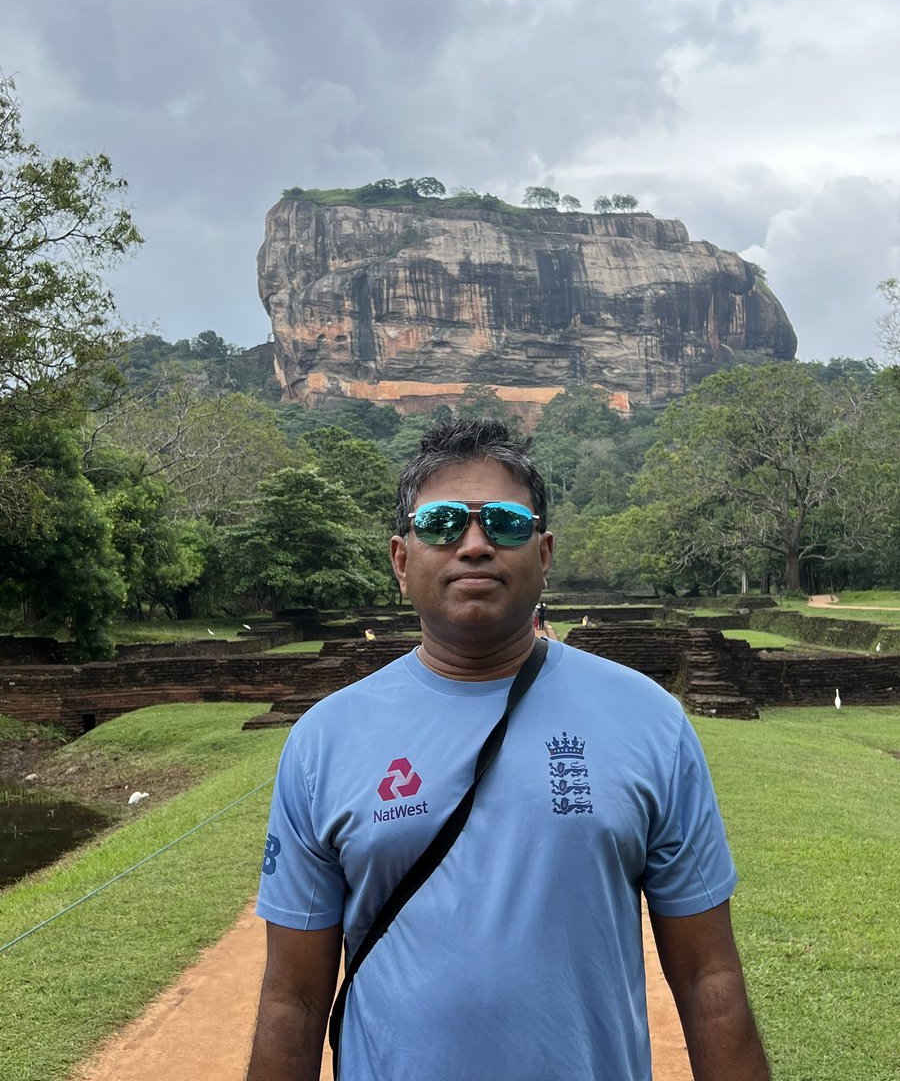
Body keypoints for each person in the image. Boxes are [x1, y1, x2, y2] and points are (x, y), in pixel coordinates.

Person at [247, 418, 770, 1081]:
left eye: (505, 523)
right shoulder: (324, 742)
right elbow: (291, 1004)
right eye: (440, 523)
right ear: (401, 560)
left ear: (544, 554)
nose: (474, 545)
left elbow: (710, 981)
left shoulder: (649, 722)